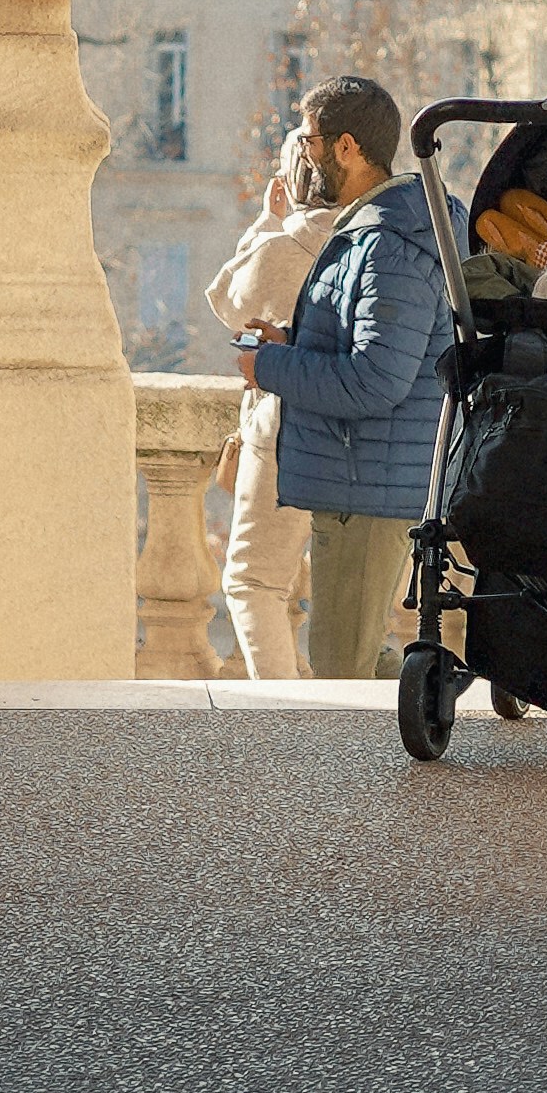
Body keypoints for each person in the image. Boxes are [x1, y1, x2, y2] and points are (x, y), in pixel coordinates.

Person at [243, 74, 451, 678]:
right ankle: (436, 707)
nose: (301, 155)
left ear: (346, 147)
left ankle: (396, 752)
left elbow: (376, 379)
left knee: (340, 667)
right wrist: (290, 342)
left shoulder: (389, 241)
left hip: (368, 486)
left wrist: (271, 367)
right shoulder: (374, 229)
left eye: (309, 140)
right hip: (361, 478)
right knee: (355, 658)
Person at [207, 113, 344, 678]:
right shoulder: (369, 238)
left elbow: (228, 301)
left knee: (252, 580)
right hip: (357, 427)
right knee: (337, 592)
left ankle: (284, 708)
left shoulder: (287, 247)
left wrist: (267, 221)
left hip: (286, 428)